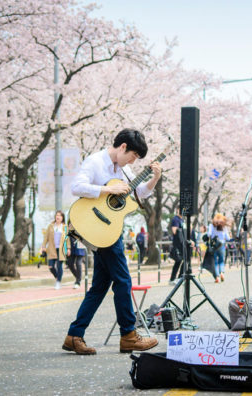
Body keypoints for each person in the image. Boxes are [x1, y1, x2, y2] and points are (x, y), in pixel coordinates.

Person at [63, 128, 161, 355]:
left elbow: (141, 194)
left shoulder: (124, 169)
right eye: (133, 156)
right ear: (123, 147)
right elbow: (76, 187)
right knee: (124, 280)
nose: (133, 161)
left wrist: (155, 177)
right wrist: (108, 188)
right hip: (101, 229)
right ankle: (128, 335)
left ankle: (74, 335)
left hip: (108, 230)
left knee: (99, 286)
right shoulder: (95, 161)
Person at [42, 210, 70, 290]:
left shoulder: (65, 227)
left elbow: (67, 238)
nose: (58, 217)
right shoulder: (51, 226)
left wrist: (68, 248)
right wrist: (43, 246)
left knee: (59, 265)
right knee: (51, 266)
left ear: (62, 218)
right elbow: (46, 237)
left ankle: (58, 282)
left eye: (60, 216)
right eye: (57, 215)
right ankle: (58, 278)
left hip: (61, 249)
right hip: (52, 249)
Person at [208, 213, 230, 282]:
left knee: (215, 261)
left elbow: (209, 234)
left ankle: (217, 277)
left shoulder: (211, 225)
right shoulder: (224, 227)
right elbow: (228, 238)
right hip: (222, 245)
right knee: (221, 261)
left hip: (214, 245)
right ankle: (222, 273)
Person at [168, 211, 185, 284]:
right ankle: (173, 279)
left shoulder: (182, 220)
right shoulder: (175, 219)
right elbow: (174, 231)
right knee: (178, 261)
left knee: (183, 261)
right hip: (177, 244)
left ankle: (179, 277)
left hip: (182, 243)